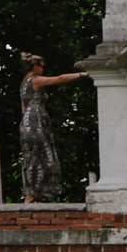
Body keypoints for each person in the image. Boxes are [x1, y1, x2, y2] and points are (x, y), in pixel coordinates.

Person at [18, 55, 90, 204]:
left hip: (29, 122)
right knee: (41, 156)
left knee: (34, 156)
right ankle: (31, 195)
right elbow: (59, 79)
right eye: (41, 66)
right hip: (35, 122)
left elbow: (23, 108)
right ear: (35, 67)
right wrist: (82, 74)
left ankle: (33, 194)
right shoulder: (35, 80)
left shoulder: (24, 83)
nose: (43, 69)